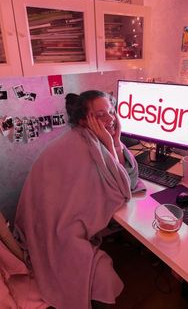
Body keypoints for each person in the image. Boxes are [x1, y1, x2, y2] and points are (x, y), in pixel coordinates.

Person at [14, 90, 139, 309]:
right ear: (84, 120)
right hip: (52, 230)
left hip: (59, 220)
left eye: (111, 111)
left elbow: (126, 178)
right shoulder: (78, 146)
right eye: (101, 115)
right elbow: (124, 189)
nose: (111, 119)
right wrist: (110, 144)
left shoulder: (97, 139)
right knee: (103, 274)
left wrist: (115, 142)